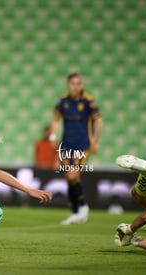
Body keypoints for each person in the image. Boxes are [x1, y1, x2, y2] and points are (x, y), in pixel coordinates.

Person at [49, 72, 102, 224]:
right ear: (68, 84)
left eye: (78, 84)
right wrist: (53, 137)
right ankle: (75, 211)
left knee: (72, 175)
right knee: (69, 177)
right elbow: (55, 120)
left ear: (82, 85)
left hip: (82, 144)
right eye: (73, 83)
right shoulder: (63, 101)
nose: (75, 87)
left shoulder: (87, 101)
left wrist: (95, 142)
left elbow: (99, 121)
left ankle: (83, 207)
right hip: (66, 144)